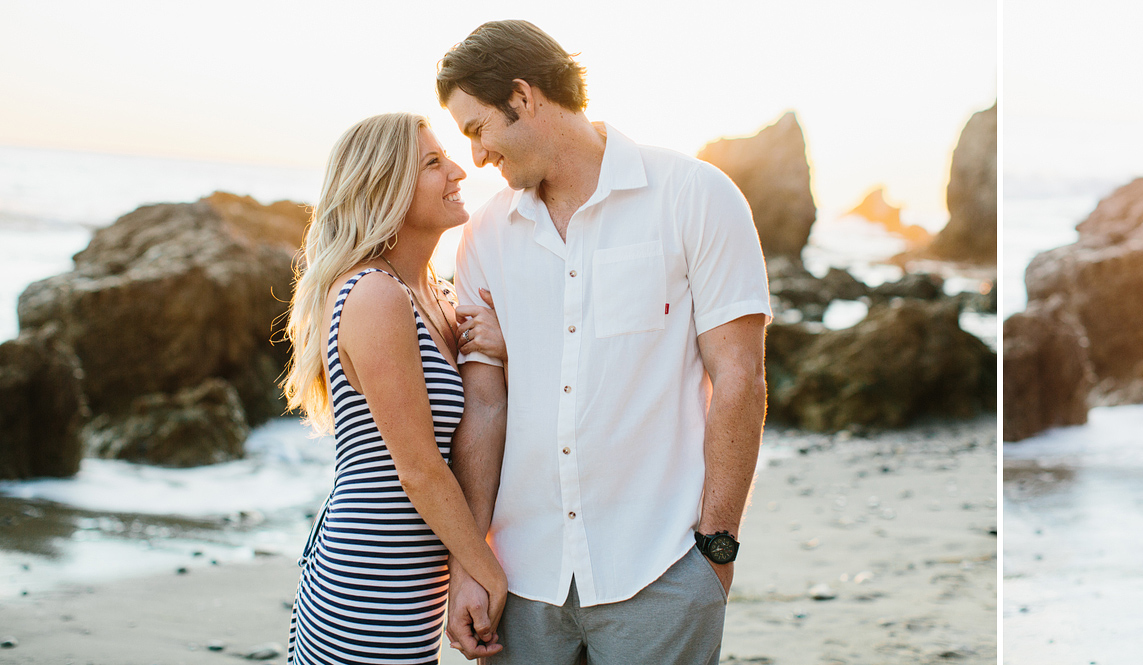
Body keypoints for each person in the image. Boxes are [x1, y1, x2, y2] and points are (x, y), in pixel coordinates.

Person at [435, 20, 773, 664]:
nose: (476, 156)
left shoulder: (694, 196)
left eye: (477, 129)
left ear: (523, 97)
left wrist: (715, 553)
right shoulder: (484, 236)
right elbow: (483, 407)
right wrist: (471, 563)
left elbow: (741, 377)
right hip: (521, 578)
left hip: (663, 566)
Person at [278, 112, 511, 663]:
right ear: (386, 188)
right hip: (368, 581)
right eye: (433, 162)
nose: (458, 169)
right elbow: (419, 467)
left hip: (410, 580)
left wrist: (498, 351)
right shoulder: (374, 293)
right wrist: (483, 569)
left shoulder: (435, 293)